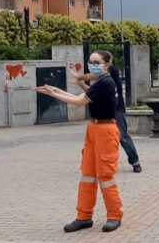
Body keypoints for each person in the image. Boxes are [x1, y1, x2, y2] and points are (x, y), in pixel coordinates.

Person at [36, 51, 124, 233]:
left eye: (96, 62)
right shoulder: (99, 82)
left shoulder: (105, 82)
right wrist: (56, 90)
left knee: (105, 176)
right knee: (88, 174)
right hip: (94, 128)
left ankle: (114, 216)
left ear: (106, 64)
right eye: (90, 61)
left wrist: (53, 93)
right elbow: (83, 95)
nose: (92, 64)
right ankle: (84, 217)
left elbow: (78, 102)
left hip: (106, 131)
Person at [71, 65, 143, 172]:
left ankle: (135, 161)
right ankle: (91, 163)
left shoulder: (111, 71)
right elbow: (91, 92)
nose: (94, 65)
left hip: (115, 110)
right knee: (94, 139)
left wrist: (78, 76)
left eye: (96, 62)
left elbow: (90, 77)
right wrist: (80, 82)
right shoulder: (100, 80)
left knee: (122, 136)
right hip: (101, 113)